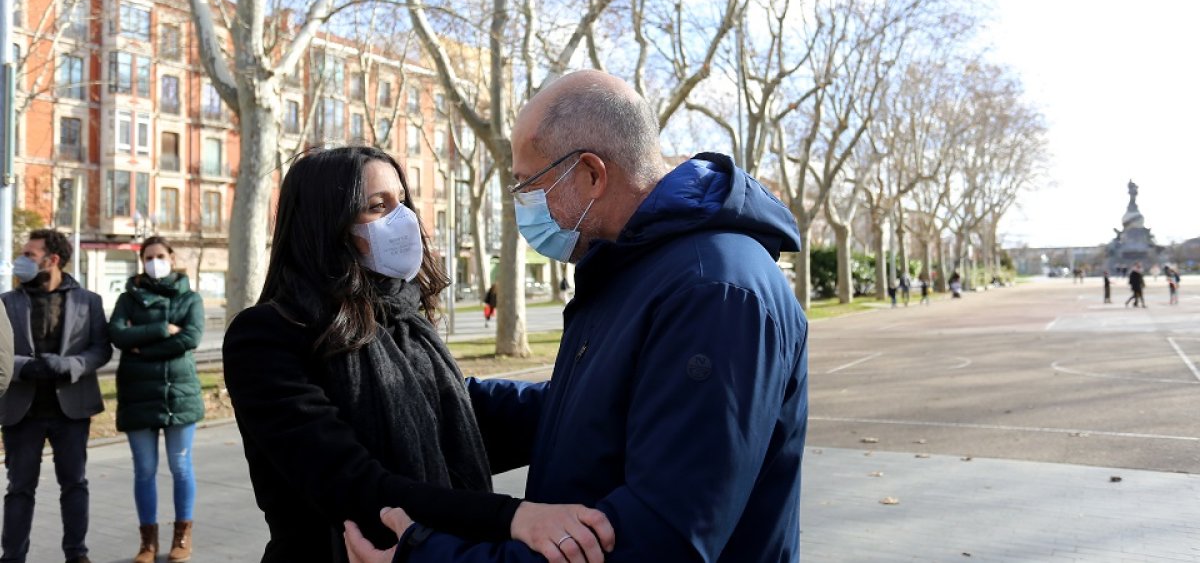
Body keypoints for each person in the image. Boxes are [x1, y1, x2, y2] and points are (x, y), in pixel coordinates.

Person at [346, 69, 809, 562]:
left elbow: (659, 538)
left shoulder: (712, 290)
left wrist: (430, 558)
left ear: (590, 173)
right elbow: (591, 412)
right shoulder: (631, 267)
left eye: (529, 183)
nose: (523, 202)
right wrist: (427, 392)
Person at [222, 146, 611, 563]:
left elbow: (456, 412)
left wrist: (589, 401)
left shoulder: (403, 315)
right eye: (377, 206)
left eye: (401, 202)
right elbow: (352, 484)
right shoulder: (266, 335)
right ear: (325, 224)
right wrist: (514, 517)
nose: (403, 219)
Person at [1, 229, 112, 563]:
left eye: (29, 254)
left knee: (75, 484)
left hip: (72, 409)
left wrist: (70, 364)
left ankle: (76, 553)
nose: (22, 260)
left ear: (52, 260)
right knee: (19, 489)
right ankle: (12, 557)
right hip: (23, 410)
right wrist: (26, 367)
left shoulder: (88, 301)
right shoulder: (8, 301)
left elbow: (100, 349)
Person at [108, 236, 205, 563]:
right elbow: (119, 335)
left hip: (178, 394)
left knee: (180, 466)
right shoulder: (127, 299)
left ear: (171, 257)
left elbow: (191, 337)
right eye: (148, 257)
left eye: (160, 255)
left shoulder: (190, 298)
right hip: (137, 394)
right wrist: (165, 328)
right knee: (144, 470)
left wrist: (142, 348)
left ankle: (183, 535)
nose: (154, 261)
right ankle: (147, 543)